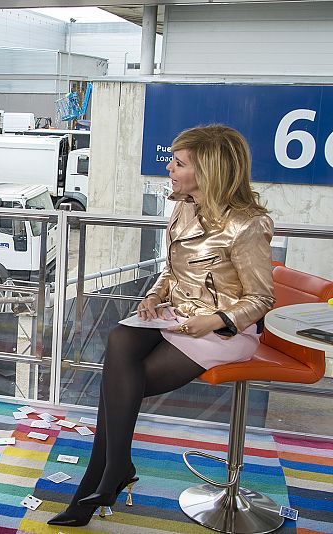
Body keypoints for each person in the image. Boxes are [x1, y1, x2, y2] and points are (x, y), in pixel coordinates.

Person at [49, 124, 275, 527]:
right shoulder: (184, 205)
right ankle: (113, 469)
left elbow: (261, 300)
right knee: (119, 341)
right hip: (177, 316)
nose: (169, 168)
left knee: (120, 386)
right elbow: (170, 269)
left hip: (223, 331)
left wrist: (215, 320)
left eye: (178, 162)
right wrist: (153, 296)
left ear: (208, 170)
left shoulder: (247, 224)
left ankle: (97, 485)